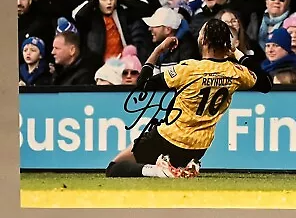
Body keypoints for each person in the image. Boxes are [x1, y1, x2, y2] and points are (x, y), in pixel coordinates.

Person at [105, 18, 273, 178]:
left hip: (168, 138)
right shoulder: (236, 72)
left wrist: (159, 49)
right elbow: (266, 84)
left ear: (204, 41)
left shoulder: (189, 68)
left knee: (114, 168)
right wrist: (237, 52)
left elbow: (143, 82)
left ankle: (159, 170)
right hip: (199, 147)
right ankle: (181, 167)